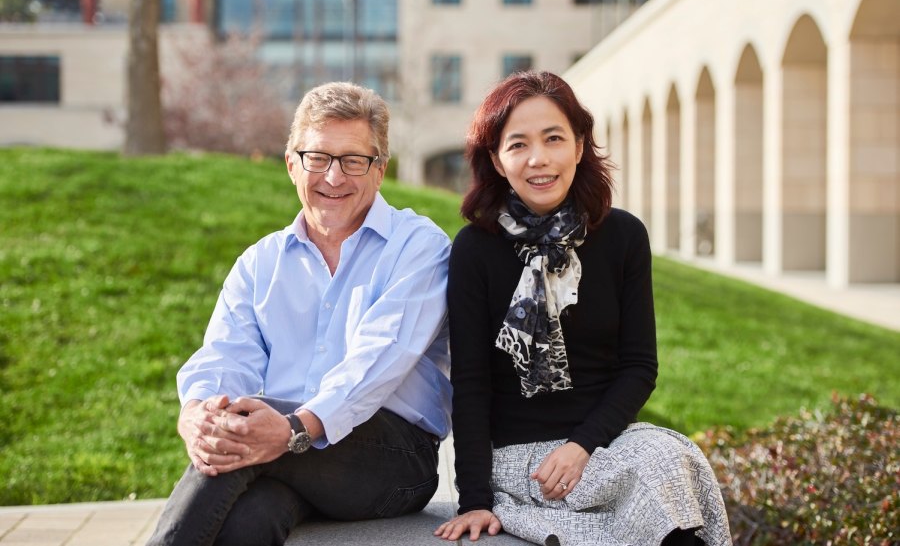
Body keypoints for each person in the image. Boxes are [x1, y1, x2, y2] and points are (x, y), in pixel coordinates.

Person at [147, 82, 452, 546]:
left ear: (379, 171)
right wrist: (196, 415)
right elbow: (226, 355)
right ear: (292, 164)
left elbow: (377, 362)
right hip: (282, 448)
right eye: (318, 158)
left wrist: (292, 429)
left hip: (392, 460)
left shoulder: (419, 247)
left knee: (244, 438)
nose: (334, 177)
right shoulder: (260, 262)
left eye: (353, 160)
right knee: (251, 517)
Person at [434, 71, 731, 546]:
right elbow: (470, 383)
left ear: (578, 145)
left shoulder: (624, 237)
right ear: (496, 159)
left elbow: (639, 367)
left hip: (605, 445)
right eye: (518, 145)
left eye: (553, 138)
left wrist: (582, 446)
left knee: (668, 462)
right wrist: (473, 499)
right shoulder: (475, 248)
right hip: (522, 460)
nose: (539, 159)